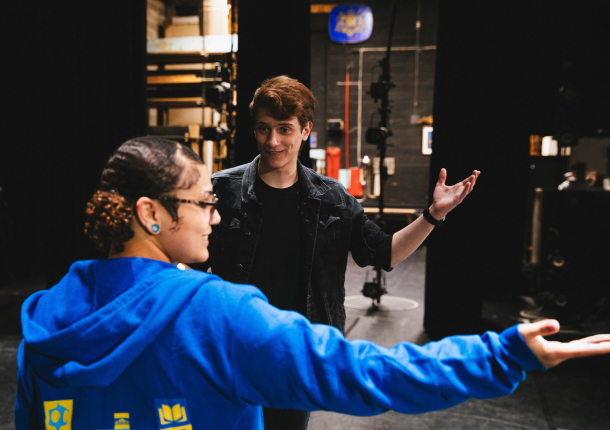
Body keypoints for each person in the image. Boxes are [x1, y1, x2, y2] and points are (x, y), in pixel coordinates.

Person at [14, 136, 610, 430]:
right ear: (152, 213)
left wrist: (431, 215)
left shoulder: (47, 319)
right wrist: (501, 354)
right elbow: (363, 374)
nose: (216, 215)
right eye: (203, 203)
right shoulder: (217, 315)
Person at [195, 75, 480, 428]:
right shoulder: (222, 189)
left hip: (297, 354)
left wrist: (433, 214)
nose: (272, 141)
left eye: (284, 129)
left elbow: (386, 252)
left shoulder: (332, 198)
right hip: (232, 347)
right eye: (263, 129)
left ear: (305, 130)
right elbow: (189, 265)